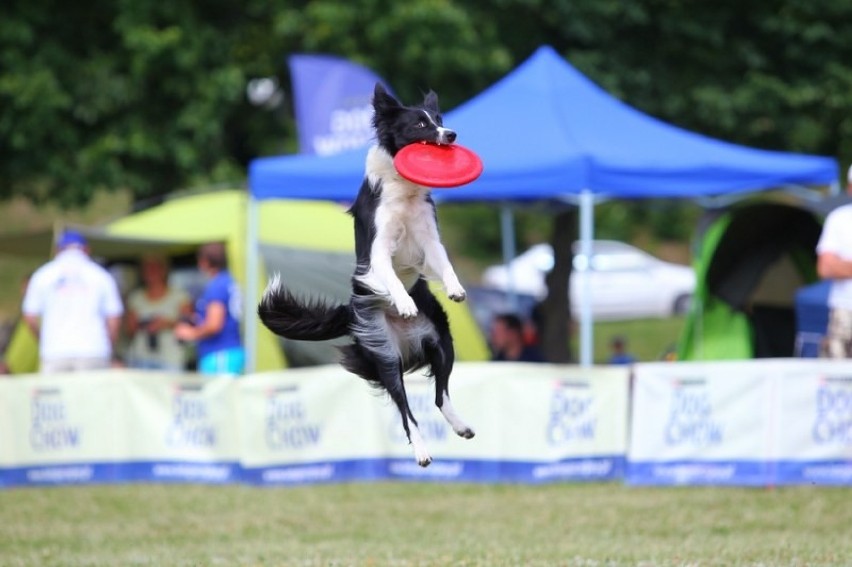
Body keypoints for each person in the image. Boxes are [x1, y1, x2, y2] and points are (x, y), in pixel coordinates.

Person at [22, 230, 124, 373]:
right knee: (91, 395)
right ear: (86, 250)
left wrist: (44, 340)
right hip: (93, 350)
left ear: (58, 250)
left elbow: (30, 317)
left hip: (55, 351)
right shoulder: (101, 275)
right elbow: (114, 318)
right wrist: (107, 345)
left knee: (55, 395)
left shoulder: (43, 275)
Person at [174, 242, 244, 375]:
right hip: (229, 351)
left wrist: (190, 333)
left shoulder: (217, 285)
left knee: (218, 395)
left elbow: (214, 325)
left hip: (220, 352)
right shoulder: (228, 281)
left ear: (205, 262)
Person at [125, 254, 192, 371]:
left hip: (171, 356)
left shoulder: (179, 295)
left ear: (164, 270)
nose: (151, 272)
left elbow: (189, 324)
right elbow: (130, 330)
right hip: (142, 355)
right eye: (147, 268)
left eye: (155, 267)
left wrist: (167, 324)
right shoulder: (136, 297)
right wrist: (144, 325)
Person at [816, 165, 852, 358]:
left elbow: (833, 265)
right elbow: (825, 268)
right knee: (837, 379)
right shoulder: (838, 219)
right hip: (843, 311)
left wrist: (843, 265)